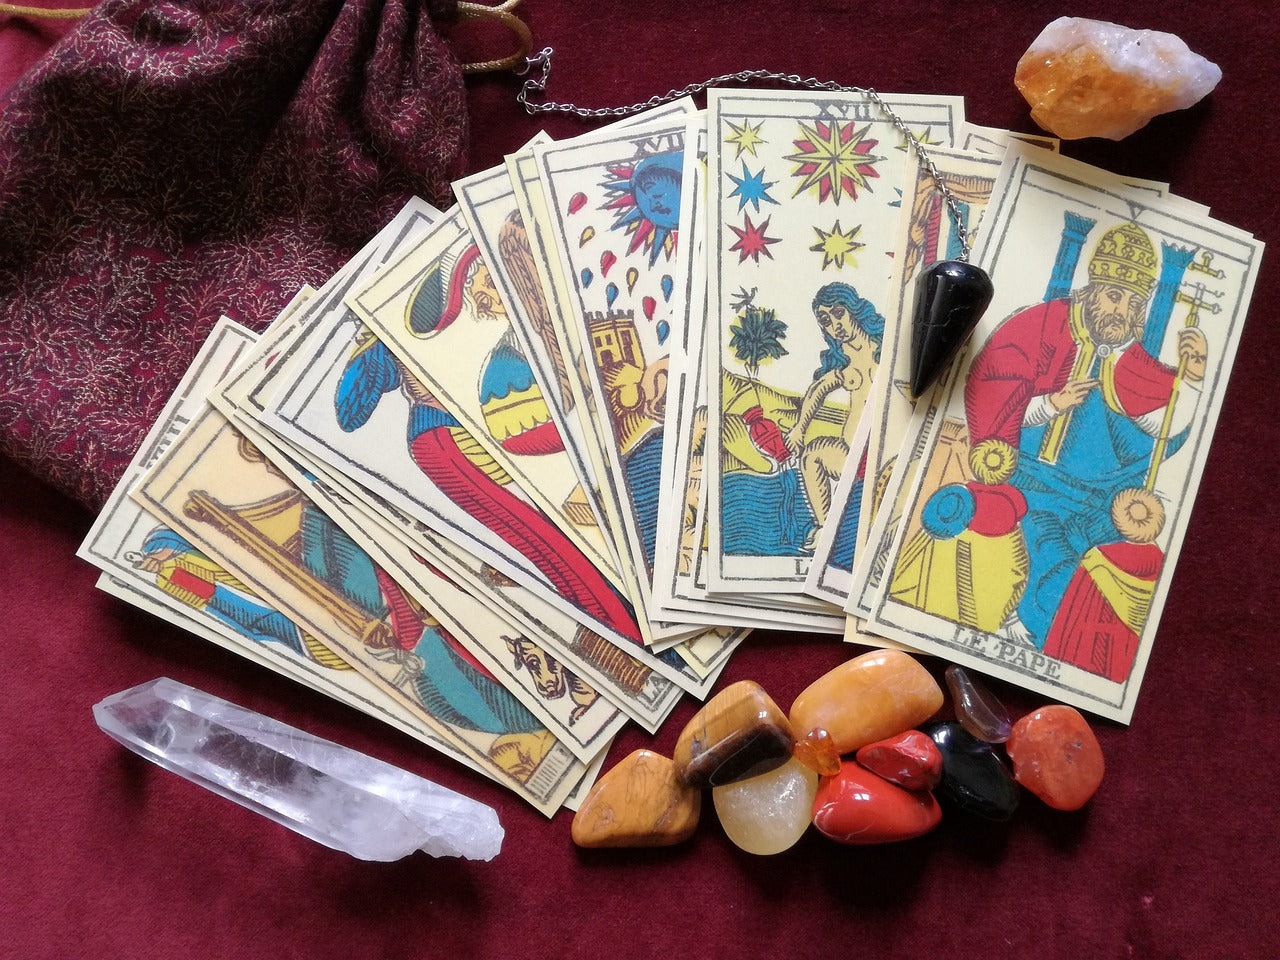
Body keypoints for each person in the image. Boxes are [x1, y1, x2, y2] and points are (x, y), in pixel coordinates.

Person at [964, 221, 1206, 645]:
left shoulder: (1126, 351)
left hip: (1100, 497)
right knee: (1055, 552)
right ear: (1093, 290)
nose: (1122, 313)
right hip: (1034, 482)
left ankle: (1052, 635)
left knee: (1121, 563)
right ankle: (1027, 632)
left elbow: (1164, 422)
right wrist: (1052, 404)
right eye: (1115, 296)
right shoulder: (1040, 326)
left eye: (1134, 305)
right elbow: (992, 392)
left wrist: (1194, 378)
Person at [785, 281, 884, 547]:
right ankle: (826, 527)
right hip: (852, 455)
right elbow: (817, 390)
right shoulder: (843, 363)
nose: (835, 324)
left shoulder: (886, 347)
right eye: (825, 320)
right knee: (812, 455)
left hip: (886, 453)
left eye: (838, 312)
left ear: (853, 309)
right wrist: (799, 429)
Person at [1043, 487, 1166, 683]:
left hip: (1091, 645)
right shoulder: (1161, 562)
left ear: (1120, 521)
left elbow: (1074, 610)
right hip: (1124, 648)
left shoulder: (1098, 557)